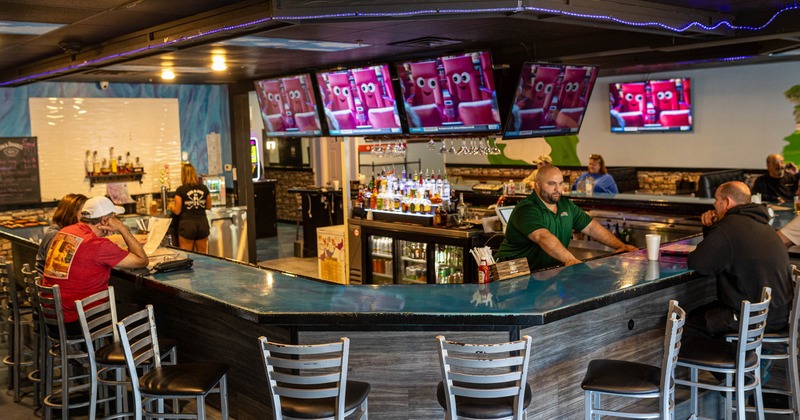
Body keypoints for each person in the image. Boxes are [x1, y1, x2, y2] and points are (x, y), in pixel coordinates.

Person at [687, 181, 792, 338]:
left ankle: (733, 360)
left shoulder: (728, 227)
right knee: (701, 313)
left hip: (753, 318)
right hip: (779, 313)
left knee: (685, 325)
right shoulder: (764, 224)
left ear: (727, 202)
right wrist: (712, 228)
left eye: (717, 200)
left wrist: (715, 228)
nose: (714, 205)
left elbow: (698, 263)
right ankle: (751, 355)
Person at [495, 165, 637, 270]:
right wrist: (570, 260)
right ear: (537, 184)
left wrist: (621, 247)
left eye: (560, 183)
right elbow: (542, 237)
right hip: (512, 272)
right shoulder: (527, 208)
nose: (558, 189)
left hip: (544, 273)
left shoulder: (565, 205)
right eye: (551, 184)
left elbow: (591, 227)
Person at [42, 196, 148, 335]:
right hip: (77, 321)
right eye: (115, 218)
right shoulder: (98, 245)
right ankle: (118, 355)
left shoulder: (65, 232)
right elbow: (142, 260)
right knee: (142, 312)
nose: (117, 222)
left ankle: (107, 351)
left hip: (52, 317)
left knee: (117, 305)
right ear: (105, 220)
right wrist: (123, 229)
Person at [36, 193, 87, 275]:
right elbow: (57, 268)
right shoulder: (56, 235)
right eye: (84, 212)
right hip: (51, 284)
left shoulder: (65, 232)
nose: (88, 217)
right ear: (71, 213)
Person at [172, 163, 212, 253]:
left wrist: (171, 207)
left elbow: (177, 211)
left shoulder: (181, 190)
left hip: (187, 226)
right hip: (202, 224)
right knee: (203, 256)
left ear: (183, 175)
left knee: (187, 255)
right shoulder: (204, 188)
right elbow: (209, 206)